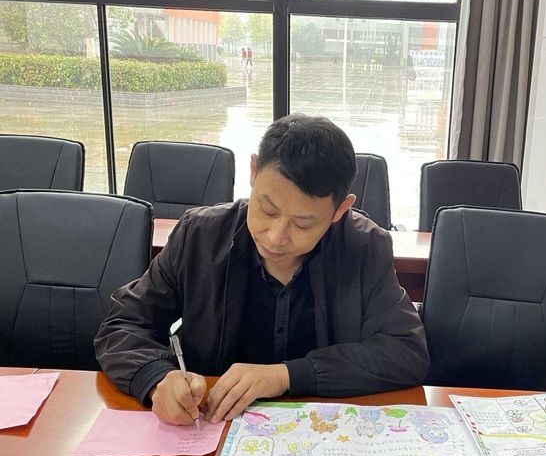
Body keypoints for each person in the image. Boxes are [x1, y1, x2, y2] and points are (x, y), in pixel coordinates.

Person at [94, 114, 429, 426]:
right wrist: (156, 377)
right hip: (212, 426)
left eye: (303, 223)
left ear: (341, 209)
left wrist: (286, 376)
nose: (276, 237)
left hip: (321, 430)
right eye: (267, 210)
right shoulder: (200, 236)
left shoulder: (364, 247)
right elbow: (124, 322)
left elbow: (406, 352)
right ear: (254, 171)